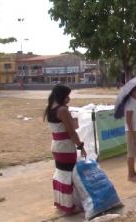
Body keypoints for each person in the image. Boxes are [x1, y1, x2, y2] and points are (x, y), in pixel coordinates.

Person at [44, 84, 86, 214]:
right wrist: (80, 146)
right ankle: (70, 206)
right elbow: (72, 132)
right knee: (69, 175)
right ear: (62, 96)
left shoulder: (51, 107)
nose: (69, 98)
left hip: (56, 145)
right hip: (66, 146)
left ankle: (61, 203)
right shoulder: (62, 110)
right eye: (67, 96)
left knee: (61, 174)